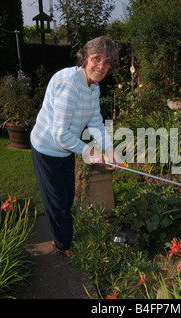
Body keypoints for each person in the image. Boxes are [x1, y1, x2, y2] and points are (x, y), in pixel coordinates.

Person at [30, 36, 123, 256]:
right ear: (85, 58)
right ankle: (63, 246)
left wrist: (109, 150)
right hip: (47, 148)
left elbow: (95, 123)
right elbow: (60, 134)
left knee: (67, 197)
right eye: (96, 58)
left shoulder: (93, 86)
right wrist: (90, 152)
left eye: (107, 61)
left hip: (65, 147)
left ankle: (62, 236)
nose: (101, 66)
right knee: (58, 202)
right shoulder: (69, 84)